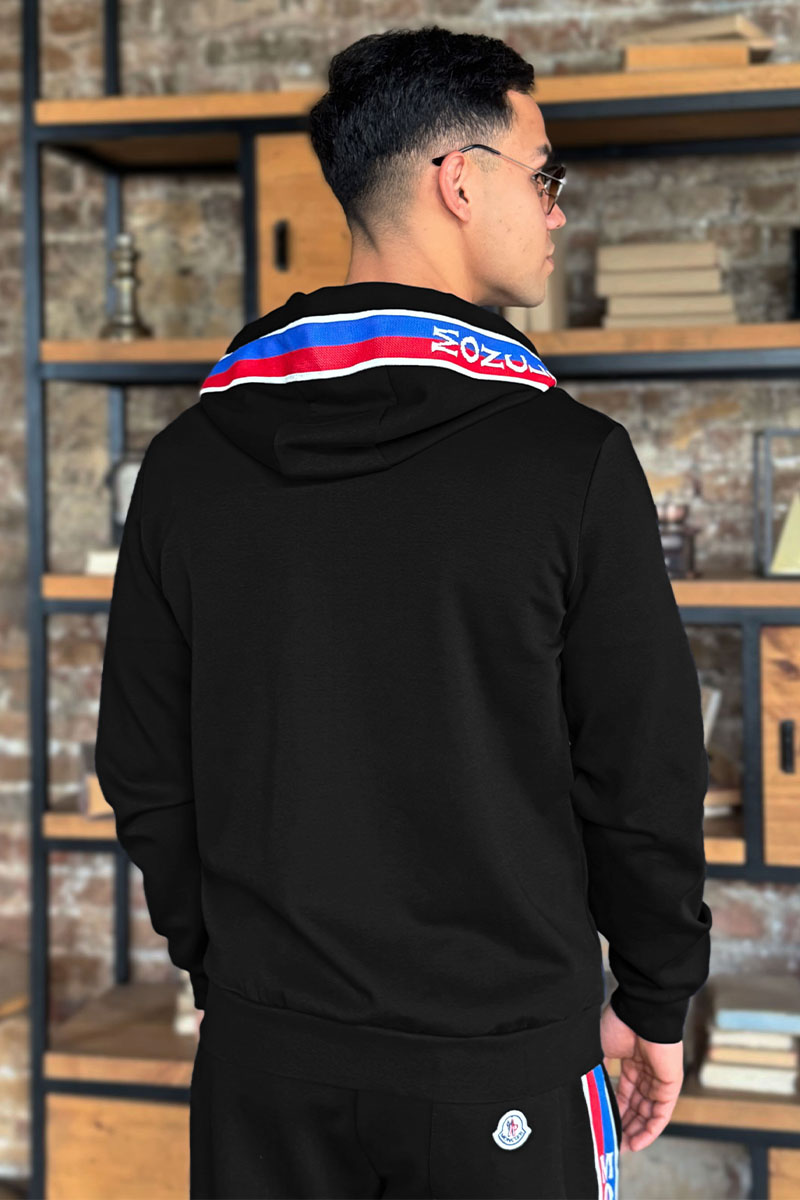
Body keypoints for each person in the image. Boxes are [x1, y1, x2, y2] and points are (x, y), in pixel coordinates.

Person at [94, 23, 712, 1200]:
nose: (555, 213)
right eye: (544, 178)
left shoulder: (187, 461)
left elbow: (143, 765)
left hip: (264, 1057)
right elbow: (640, 771)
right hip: (497, 1067)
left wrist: (224, 970)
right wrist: (652, 998)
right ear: (458, 180)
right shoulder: (568, 462)